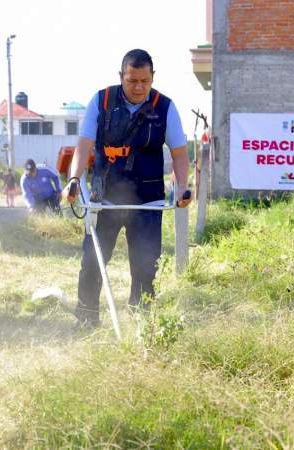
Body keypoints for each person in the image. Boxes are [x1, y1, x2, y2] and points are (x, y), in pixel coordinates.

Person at [62, 49, 192, 328]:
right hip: (104, 198)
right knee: (92, 262)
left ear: (152, 78)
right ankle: (85, 320)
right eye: (132, 80)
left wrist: (182, 187)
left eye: (145, 81)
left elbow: (180, 153)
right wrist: (74, 181)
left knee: (146, 267)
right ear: (121, 76)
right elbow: (83, 147)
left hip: (146, 201)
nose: (138, 87)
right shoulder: (102, 101)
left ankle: (142, 324)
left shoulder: (165, 107)